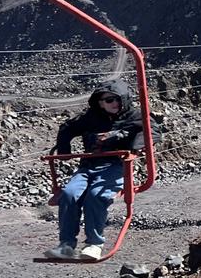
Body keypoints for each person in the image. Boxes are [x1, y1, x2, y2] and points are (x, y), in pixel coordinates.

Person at [44, 80, 143, 261]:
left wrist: (134, 147)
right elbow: (67, 128)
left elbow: (151, 130)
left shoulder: (134, 115)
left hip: (116, 165)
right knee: (69, 194)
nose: (114, 104)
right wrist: (64, 152)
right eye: (108, 100)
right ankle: (66, 245)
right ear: (100, 103)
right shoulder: (92, 117)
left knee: (97, 195)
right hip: (89, 165)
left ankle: (94, 244)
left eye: (117, 99)